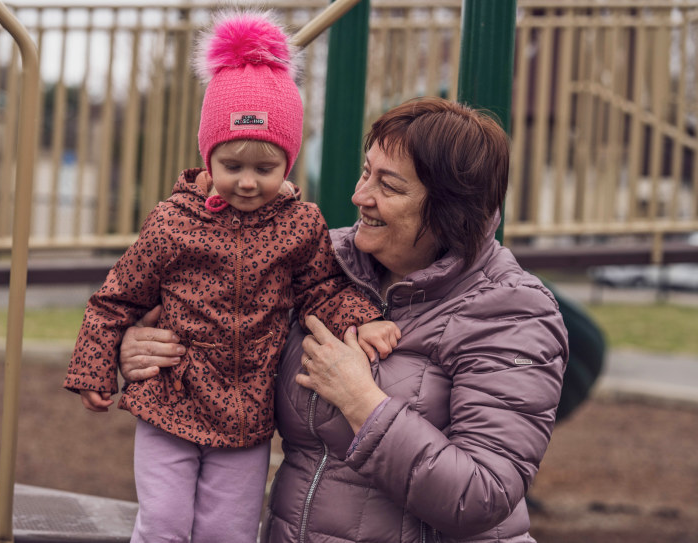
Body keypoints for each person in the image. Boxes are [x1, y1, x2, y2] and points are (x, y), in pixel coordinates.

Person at [119, 97, 570, 542]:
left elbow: (483, 496)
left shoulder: (512, 312)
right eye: (365, 172)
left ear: (452, 210)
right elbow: (214, 325)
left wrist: (361, 401)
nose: (359, 196)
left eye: (388, 187)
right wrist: (140, 345)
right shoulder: (319, 262)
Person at [63, 11, 400, 543]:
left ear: (287, 163)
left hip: (246, 418)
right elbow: (116, 300)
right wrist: (94, 369)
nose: (247, 182)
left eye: (265, 168)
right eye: (232, 165)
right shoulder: (173, 222)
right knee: (165, 525)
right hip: (170, 402)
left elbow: (323, 289)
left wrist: (366, 318)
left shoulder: (299, 225)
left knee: (231, 532)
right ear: (209, 156)